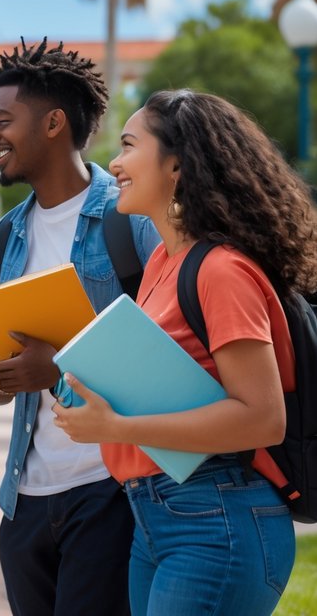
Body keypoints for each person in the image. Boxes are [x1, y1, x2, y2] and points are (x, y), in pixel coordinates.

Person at [53, 89, 312, 615]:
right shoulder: (160, 265)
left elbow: (262, 419)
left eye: (128, 146)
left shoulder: (221, 271)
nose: (114, 162)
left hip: (218, 517)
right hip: (155, 518)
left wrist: (116, 427)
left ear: (177, 164)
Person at [0, 39, 159, 616]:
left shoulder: (133, 220)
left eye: (3, 121)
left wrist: (60, 366)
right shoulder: (4, 239)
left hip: (113, 490)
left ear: (53, 123)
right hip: (24, 502)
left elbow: (173, 351)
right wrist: (3, 378)